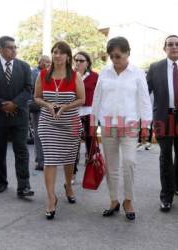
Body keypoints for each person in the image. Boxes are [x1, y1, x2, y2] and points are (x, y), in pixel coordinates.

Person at [91, 36, 152, 221]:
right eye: (112, 56)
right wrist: (93, 124)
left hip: (130, 125)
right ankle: (113, 200)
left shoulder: (137, 73)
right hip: (108, 125)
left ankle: (128, 200)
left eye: (118, 56)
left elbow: (144, 99)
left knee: (129, 162)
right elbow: (97, 98)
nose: (115, 60)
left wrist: (145, 125)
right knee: (111, 167)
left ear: (127, 54)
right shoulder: (105, 72)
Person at [34, 41, 85, 220]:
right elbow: (36, 97)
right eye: (55, 52)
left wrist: (64, 107)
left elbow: (82, 99)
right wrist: (48, 105)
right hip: (48, 122)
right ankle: (50, 198)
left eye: (61, 53)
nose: (57, 55)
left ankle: (68, 186)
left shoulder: (75, 76)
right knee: (50, 159)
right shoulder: (43, 75)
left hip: (70, 123)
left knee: (69, 159)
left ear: (68, 56)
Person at [147, 35, 178, 212]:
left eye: (177, 44)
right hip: (163, 117)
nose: (174, 47)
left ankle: (177, 185)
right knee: (166, 155)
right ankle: (166, 196)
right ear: (165, 48)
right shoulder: (155, 68)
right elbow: (145, 93)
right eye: (170, 44)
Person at [0, 36, 34, 197]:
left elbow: (28, 89)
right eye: (10, 47)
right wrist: (2, 105)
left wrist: (14, 104)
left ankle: (24, 186)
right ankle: (0, 182)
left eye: (16, 47)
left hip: (19, 115)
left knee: (21, 150)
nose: (14, 50)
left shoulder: (24, 66)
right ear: (1, 49)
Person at [72, 51, 98, 184]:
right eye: (76, 60)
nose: (78, 63)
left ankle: (92, 172)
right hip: (73, 113)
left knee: (90, 144)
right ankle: (72, 173)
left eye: (81, 60)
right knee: (73, 145)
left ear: (87, 62)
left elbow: (100, 96)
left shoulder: (95, 76)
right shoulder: (69, 75)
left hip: (89, 113)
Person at [30, 55, 51, 171]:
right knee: (39, 135)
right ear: (40, 62)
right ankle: (40, 161)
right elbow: (31, 91)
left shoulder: (50, 72)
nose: (49, 63)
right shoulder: (34, 73)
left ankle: (48, 159)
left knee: (48, 135)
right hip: (37, 108)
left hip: (48, 108)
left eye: (50, 62)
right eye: (46, 62)